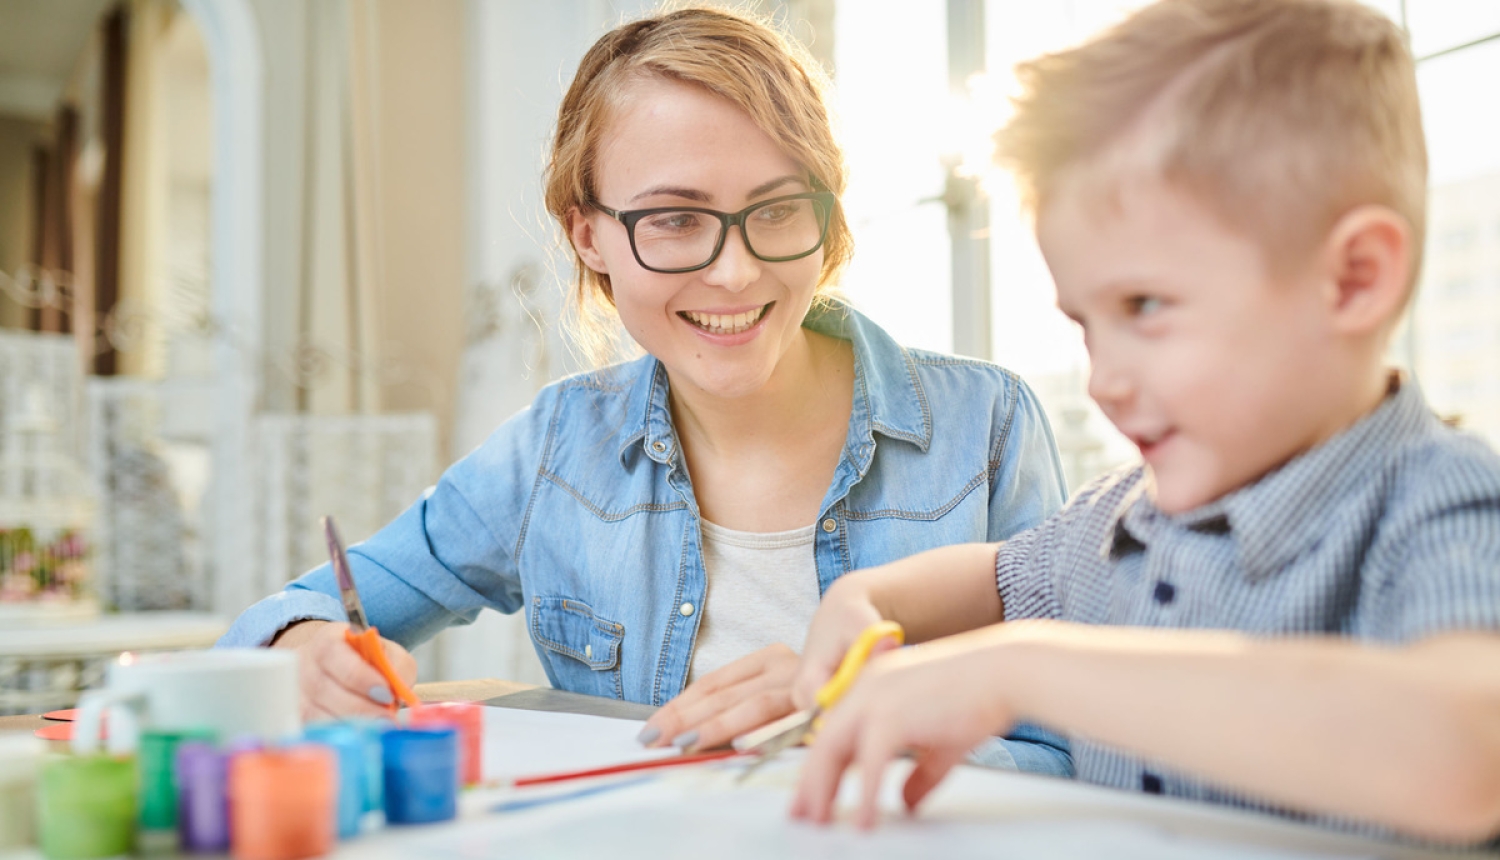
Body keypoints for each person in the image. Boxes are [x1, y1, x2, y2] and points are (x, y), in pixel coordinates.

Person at [217, 6, 1070, 772]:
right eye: (675, 219)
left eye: (777, 209)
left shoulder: (986, 426)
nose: (734, 272)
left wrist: (864, 717)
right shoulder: (554, 448)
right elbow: (298, 611)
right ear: (588, 235)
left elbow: (1073, 753)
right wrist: (304, 647)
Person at [784, 0, 1500, 846]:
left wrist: (1025, 669)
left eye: (1146, 307)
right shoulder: (1121, 516)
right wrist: (864, 597)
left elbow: (1463, 752)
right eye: (1086, 324)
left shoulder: (1440, 498)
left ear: (1353, 279)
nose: (1105, 381)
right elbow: (994, 575)